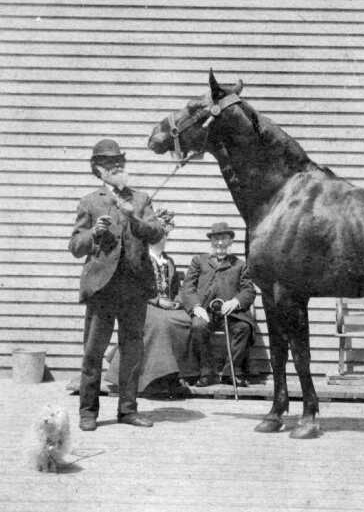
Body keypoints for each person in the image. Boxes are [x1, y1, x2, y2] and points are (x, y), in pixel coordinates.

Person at [69, 138, 164, 431]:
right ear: (98, 170)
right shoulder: (90, 201)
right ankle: (88, 412)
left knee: (132, 352)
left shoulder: (140, 199)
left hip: (134, 287)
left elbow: (156, 232)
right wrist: (94, 234)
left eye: (120, 162)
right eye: (110, 164)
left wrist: (132, 215)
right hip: (102, 288)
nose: (117, 167)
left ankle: (128, 410)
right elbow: (75, 245)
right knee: (93, 352)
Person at [105, 209, 199, 397]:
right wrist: (157, 301)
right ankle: (152, 379)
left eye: (165, 236)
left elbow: (175, 289)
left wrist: (177, 302)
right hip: (142, 304)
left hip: (167, 307)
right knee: (160, 323)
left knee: (186, 321)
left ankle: (173, 374)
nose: (162, 239)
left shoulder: (168, 261)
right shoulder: (139, 258)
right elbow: (133, 286)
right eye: (158, 235)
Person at [180, 222, 257, 387]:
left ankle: (231, 372)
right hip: (204, 311)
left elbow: (249, 290)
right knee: (198, 327)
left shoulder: (240, 265)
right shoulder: (199, 261)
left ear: (230, 241)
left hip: (230, 313)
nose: (220, 243)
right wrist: (195, 306)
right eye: (216, 239)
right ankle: (207, 373)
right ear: (211, 241)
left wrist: (236, 301)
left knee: (243, 327)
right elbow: (188, 287)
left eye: (224, 238)